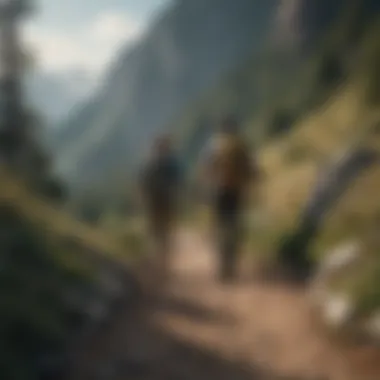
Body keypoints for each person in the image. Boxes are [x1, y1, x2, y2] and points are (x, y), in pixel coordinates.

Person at [201, 116, 259, 282]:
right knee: (234, 226)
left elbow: (206, 168)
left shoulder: (214, 145)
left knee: (220, 226)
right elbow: (252, 168)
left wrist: (208, 187)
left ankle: (222, 264)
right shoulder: (241, 146)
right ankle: (231, 263)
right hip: (236, 192)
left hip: (218, 192)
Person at [139, 133, 182, 282]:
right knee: (165, 232)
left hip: (153, 203)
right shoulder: (171, 162)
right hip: (167, 202)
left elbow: (142, 183)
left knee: (156, 232)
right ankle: (163, 264)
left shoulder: (150, 163)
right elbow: (178, 181)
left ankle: (158, 264)